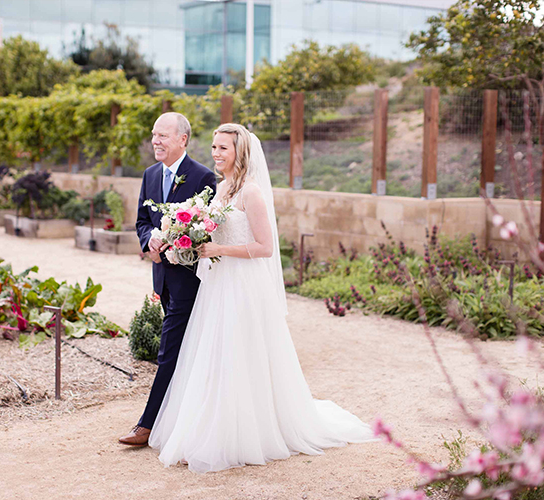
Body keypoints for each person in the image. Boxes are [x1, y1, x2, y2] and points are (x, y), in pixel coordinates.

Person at [148, 123, 376, 472]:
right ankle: (205, 430)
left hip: (242, 285)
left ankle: (243, 434)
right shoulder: (221, 188)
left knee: (241, 356)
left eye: (223, 148)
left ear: (240, 152)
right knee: (214, 357)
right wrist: (185, 241)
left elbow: (265, 248)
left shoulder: (251, 193)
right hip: (218, 283)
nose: (216, 153)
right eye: (214, 146)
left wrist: (218, 248)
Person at [119, 112, 217, 446]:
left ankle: (147, 425)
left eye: (163, 135)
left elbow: (207, 229)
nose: (156, 141)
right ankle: (184, 419)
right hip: (161, 278)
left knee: (169, 350)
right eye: (154, 135)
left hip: (189, 281)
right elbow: (142, 221)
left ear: (182, 139)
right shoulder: (149, 175)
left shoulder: (203, 177)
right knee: (185, 351)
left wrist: (174, 242)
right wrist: (150, 240)